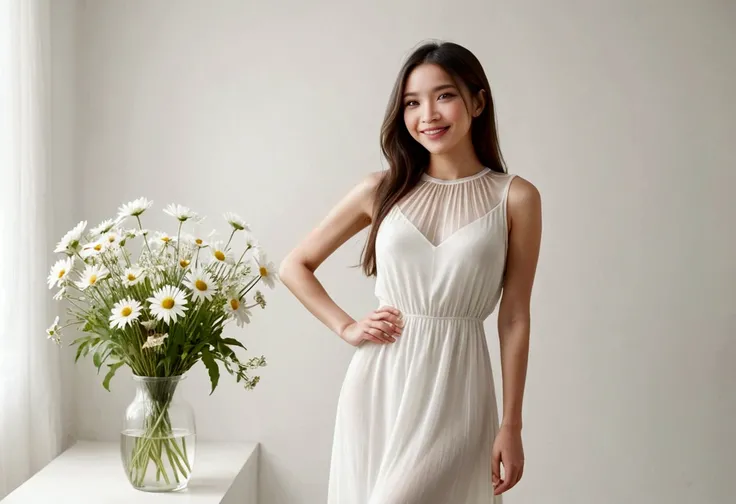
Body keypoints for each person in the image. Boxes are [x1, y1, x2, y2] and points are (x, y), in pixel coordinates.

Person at [279, 40, 542, 503]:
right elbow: (294, 266)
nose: (428, 115)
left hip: (458, 386)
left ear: (477, 102)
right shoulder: (380, 190)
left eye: (444, 96)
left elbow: (515, 315)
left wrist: (511, 424)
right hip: (381, 381)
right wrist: (347, 326)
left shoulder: (516, 198)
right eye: (412, 103)